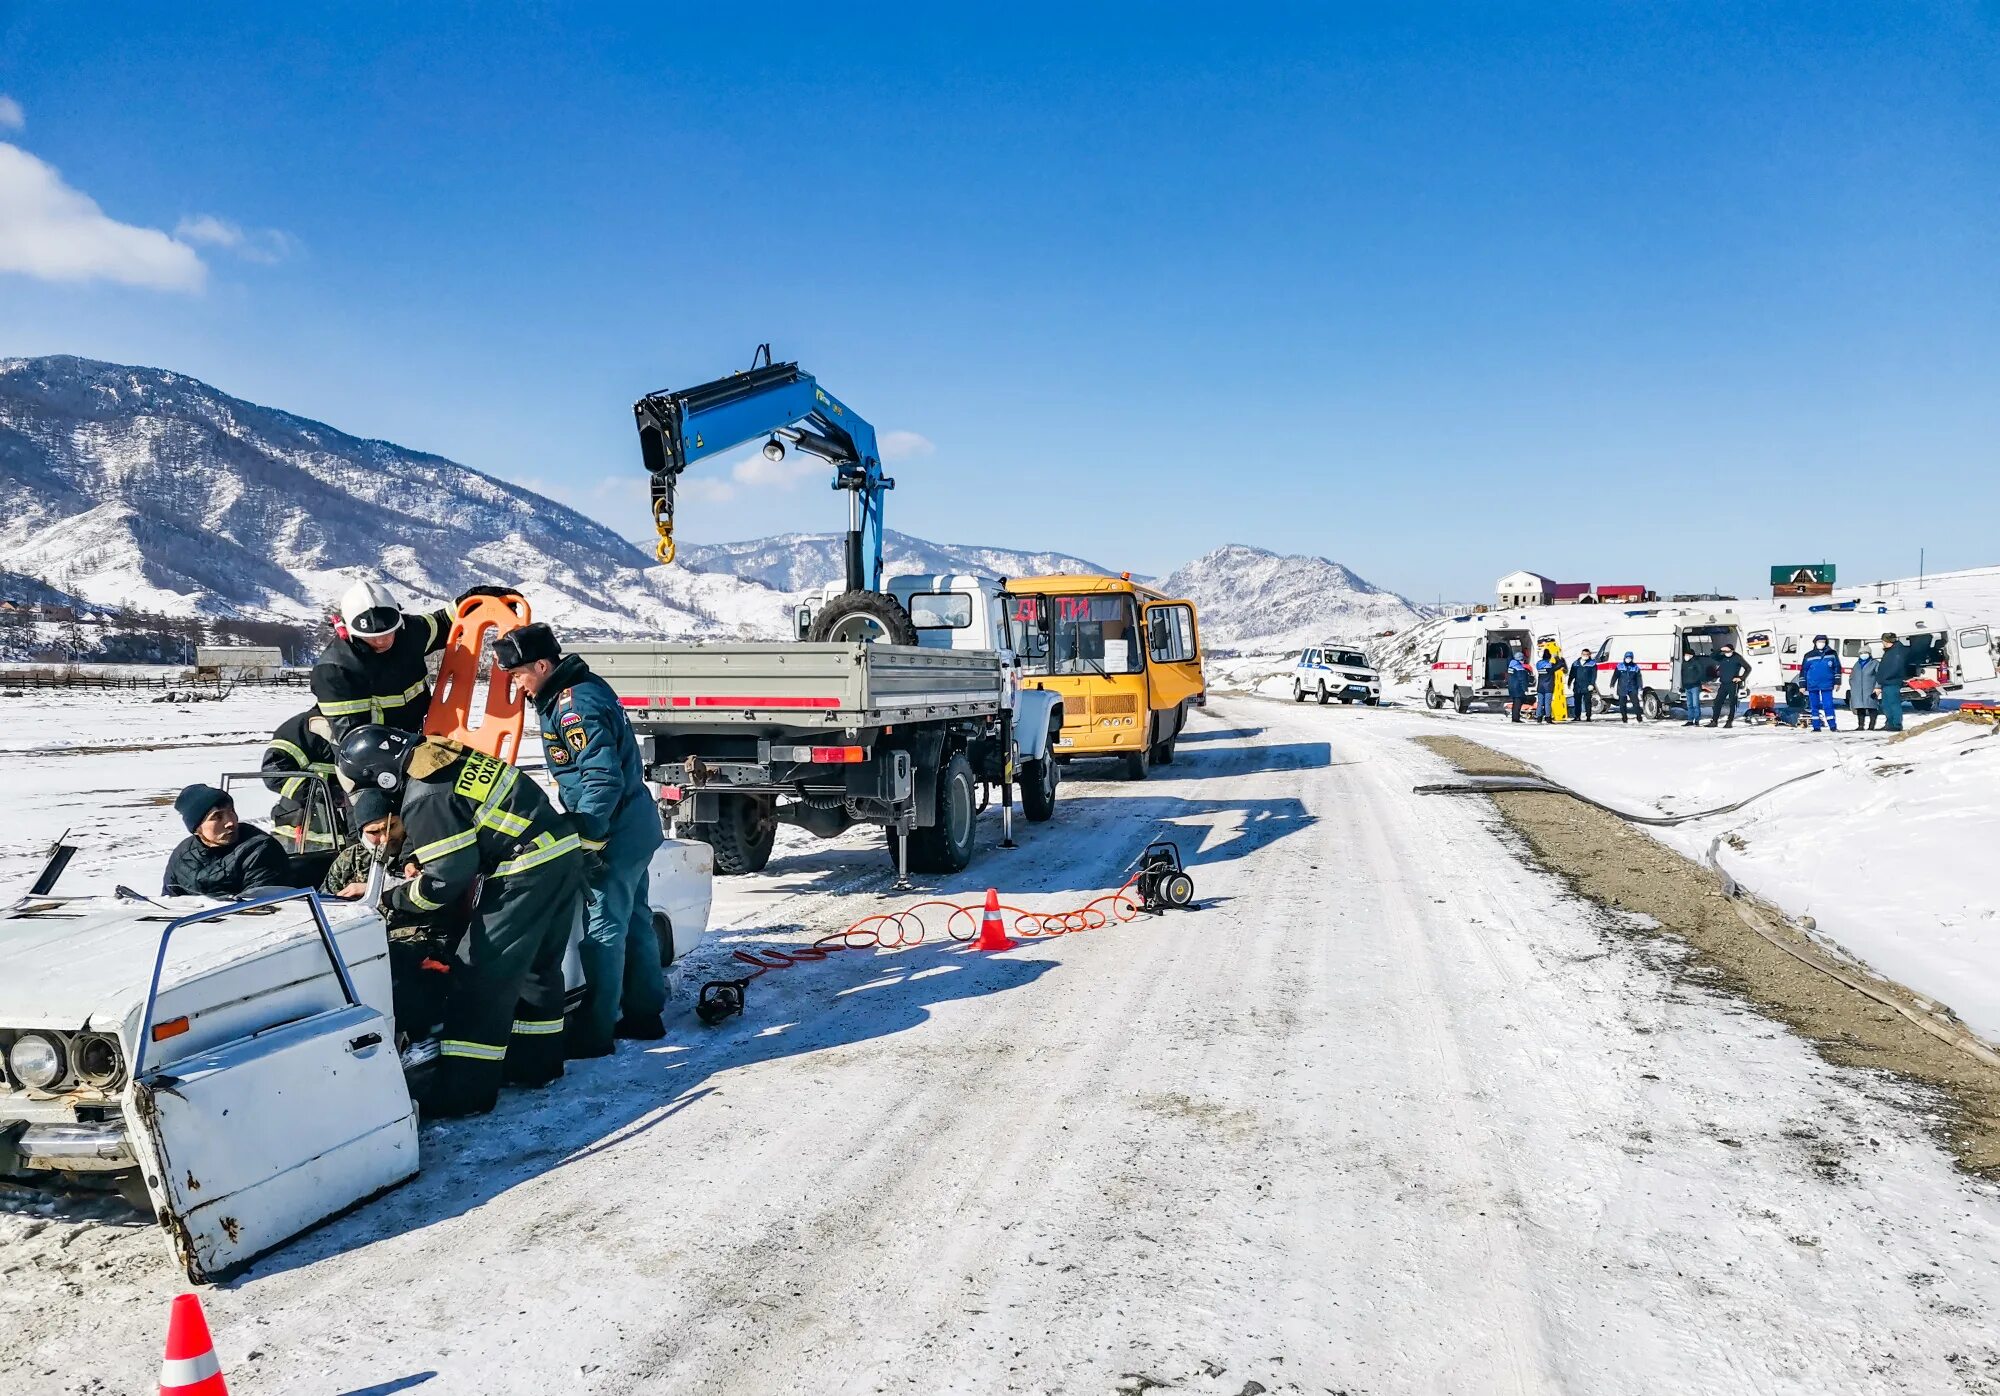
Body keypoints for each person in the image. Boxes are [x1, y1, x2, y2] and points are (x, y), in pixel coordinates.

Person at [335, 723, 584, 1117]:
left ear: (381, 775)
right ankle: (535, 1065)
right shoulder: (442, 757)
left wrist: (393, 898)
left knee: (480, 974)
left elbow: (448, 878)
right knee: (537, 968)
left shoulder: (425, 795)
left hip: (526, 869)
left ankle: (467, 1093)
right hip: (560, 855)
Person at [493, 622, 667, 1056]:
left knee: (604, 929)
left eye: (519, 676)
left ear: (542, 664)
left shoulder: (574, 707)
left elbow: (601, 777)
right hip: (634, 823)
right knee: (634, 918)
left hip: (614, 830)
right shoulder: (576, 689)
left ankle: (596, 1030)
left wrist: (588, 833)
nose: (517, 685)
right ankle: (645, 1013)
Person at [323, 786, 460, 1046]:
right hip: (366, 939)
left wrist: (379, 888)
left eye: (392, 827)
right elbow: (326, 904)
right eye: (374, 832)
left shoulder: (424, 854)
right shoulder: (350, 860)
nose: (385, 838)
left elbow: (437, 894)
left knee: (392, 966)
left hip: (422, 939)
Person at [162, 784, 296, 899]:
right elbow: (169, 903)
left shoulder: (259, 848)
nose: (230, 822)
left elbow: (261, 906)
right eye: (217, 817)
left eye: (231, 811)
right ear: (197, 828)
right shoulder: (183, 854)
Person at [262, 709, 346, 855]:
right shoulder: (300, 729)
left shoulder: (367, 725)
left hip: (356, 834)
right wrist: (322, 793)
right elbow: (274, 773)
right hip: (302, 837)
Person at [1799, 633, 1844, 733]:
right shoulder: (1809, 655)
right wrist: (1802, 685)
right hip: (1812, 684)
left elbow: (1837, 668)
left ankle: (1832, 726)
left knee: (1828, 705)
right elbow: (1804, 671)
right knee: (1814, 705)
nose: (1821, 643)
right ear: (1815, 643)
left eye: (1823, 642)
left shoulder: (1832, 653)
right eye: (1819, 642)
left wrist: (1837, 682)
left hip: (1827, 684)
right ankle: (1816, 726)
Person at [1874, 632, 1912, 733]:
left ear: (1887, 641)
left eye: (1883, 641)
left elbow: (1895, 668)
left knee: (1893, 703)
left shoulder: (1897, 652)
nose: (1883, 643)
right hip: (1886, 682)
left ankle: (1896, 724)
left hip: (1892, 681)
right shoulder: (1890, 651)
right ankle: (1889, 723)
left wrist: (1885, 677)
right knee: (1886, 704)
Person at [1706, 643, 1750, 728]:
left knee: (1732, 703)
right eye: (1725, 651)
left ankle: (1729, 721)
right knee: (1717, 702)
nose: (1727, 653)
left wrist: (1741, 678)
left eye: (1728, 651)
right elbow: (1712, 656)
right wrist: (1720, 650)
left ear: (1732, 651)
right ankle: (1714, 721)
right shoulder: (1722, 658)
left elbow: (1748, 668)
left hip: (1733, 684)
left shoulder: (1737, 658)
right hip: (1723, 683)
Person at [1848, 645, 1881, 730]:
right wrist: (1853, 685)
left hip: (1870, 689)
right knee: (1860, 708)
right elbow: (1852, 676)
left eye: (1865, 653)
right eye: (1861, 653)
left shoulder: (1875, 663)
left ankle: (1871, 726)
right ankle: (1860, 725)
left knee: (1872, 707)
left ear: (1869, 654)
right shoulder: (1857, 664)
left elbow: (1879, 676)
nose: (1863, 654)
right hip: (1858, 690)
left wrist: (1877, 687)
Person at [1612, 651, 1645, 722]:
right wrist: (1612, 684)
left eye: (1630, 658)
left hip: (1632, 687)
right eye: (1627, 657)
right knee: (1622, 704)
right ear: (1624, 658)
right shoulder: (1620, 666)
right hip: (1622, 687)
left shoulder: (1635, 667)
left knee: (1636, 704)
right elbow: (1615, 676)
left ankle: (1639, 718)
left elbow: (1639, 678)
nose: (1628, 659)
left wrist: (1640, 687)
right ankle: (1624, 718)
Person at [1677, 648, 1707, 727]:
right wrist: (1682, 685)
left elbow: (1701, 673)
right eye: (1685, 655)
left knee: (1695, 704)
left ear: (1691, 655)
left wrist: (1695, 680)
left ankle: (1697, 720)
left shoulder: (1696, 662)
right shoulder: (1684, 663)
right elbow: (1682, 675)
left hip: (1695, 686)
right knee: (1689, 704)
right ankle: (1690, 720)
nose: (1685, 656)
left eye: (1687, 655)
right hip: (1687, 686)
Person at [1570, 648, 1599, 722]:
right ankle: (1577, 716)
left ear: (1589, 655)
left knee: (1587, 702)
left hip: (1587, 685)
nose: (1585, 656)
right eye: (1584, 654)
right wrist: (1569, 682)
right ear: (1581, 654)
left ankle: (1588, 716)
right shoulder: (1576, 663)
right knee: (1577, 701)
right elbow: (1572, 674)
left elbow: (1594, 675)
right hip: (1577, 686)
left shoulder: (1592, 664)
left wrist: (1592, 684)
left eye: (1587, 654)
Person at [1506, 647, 1531, 723]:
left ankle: (1514, 717)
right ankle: (1516, 718)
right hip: (1518, 689)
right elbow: (1522, 680)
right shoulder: (1520, 668)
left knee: (1515, 703)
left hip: (1511, 687)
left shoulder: (1511, 666)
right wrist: (1525, 689)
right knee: (1518, 704)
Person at [1548, 645, 1570, 723]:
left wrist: (1563, 669)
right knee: (1553, 699)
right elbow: (1550, 670)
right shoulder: (1550, 661)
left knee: (1561, 699)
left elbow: (1566, 670)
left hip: (1560, 683)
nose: (1555, 653)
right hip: (1552, 681)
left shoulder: (1562, 659)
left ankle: (1562, 714)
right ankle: (1553, 715)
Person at [1534, 647, 1555, 723]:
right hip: (1548, 687)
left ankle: (1538, 717)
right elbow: (1558, 666)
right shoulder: (1550, 665)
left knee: (1540, 702)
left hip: (1540, 686)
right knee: (1547, 703)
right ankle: (1548, 717)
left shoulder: (1538, 664)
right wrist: (1557, 658)